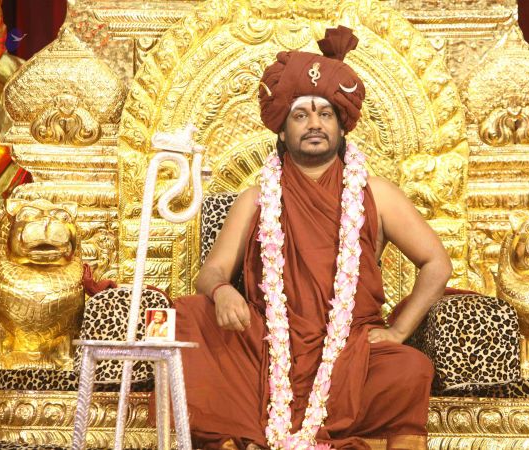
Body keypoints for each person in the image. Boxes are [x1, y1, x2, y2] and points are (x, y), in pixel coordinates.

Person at [173, 26, 452, 450]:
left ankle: (257, 432)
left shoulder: (377, 194)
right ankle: (237, 439)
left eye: (325, 114)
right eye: (301, 115)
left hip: (351, 350)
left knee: (410, 368)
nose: (315, 124)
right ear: (282, 132)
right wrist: (223, 291)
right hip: (268, 346)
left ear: (342, 127)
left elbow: (437, 263)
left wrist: (398, 331)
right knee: (188, 315)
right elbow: (211, 270)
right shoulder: (254, 199)